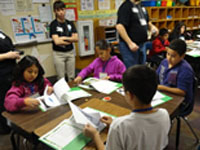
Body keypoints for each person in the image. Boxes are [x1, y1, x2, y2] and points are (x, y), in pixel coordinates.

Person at [83, 65, 170, 150]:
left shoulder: (119, 126)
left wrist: (95, 135)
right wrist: (114, 124)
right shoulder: (164, 114)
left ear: (130, 95)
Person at [116, 0, 158, 68]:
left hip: (142, 44)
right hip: (129, 46)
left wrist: (152, 27)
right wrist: (130, 43)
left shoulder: (141, 6)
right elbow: (120, 26)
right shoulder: (126, 6)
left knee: (141, 70)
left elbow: (147, 21)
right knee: (132, 71)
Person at [157, 39, 194, 109]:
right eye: (168, 54)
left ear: (182, 56)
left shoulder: (185, 70)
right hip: (163, 94)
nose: (169, 58)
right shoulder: (164, 62)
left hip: (179, 100)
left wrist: (162, 87)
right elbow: (156, 76)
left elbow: (182, 92)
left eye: (173, 56)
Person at [50, 0, 78, 81]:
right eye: (58, 10)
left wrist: (63, 38)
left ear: (65, 10)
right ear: (55, 11)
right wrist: (70, 39)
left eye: (62, 9)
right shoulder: (53, 24)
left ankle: (72, 92)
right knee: (60, 78)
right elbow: (57, 42)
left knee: (71, 76)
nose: (61, 12)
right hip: (59, 54)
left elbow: (76, 38)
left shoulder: (70, 23)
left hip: (70, 52)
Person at [0, 31, 20, 134]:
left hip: (11, 71)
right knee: (3, 101)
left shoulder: (1, 32)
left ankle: (15, 123)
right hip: (2, 74)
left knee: (12, 97)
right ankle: (6, 126)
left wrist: (14, 52)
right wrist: (7, 55)